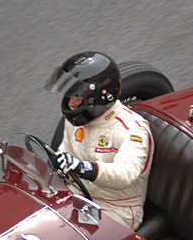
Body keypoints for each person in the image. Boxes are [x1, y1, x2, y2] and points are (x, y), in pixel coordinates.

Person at [44, 51, 153, 230]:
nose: (71, 103)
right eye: (69, 95)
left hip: (116, 208)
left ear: (100, 96)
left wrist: (84, 168)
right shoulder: (75, 120)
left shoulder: (133, 130)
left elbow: (126, 174)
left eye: (77, 96)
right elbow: (66, 151)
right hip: (80, 193)